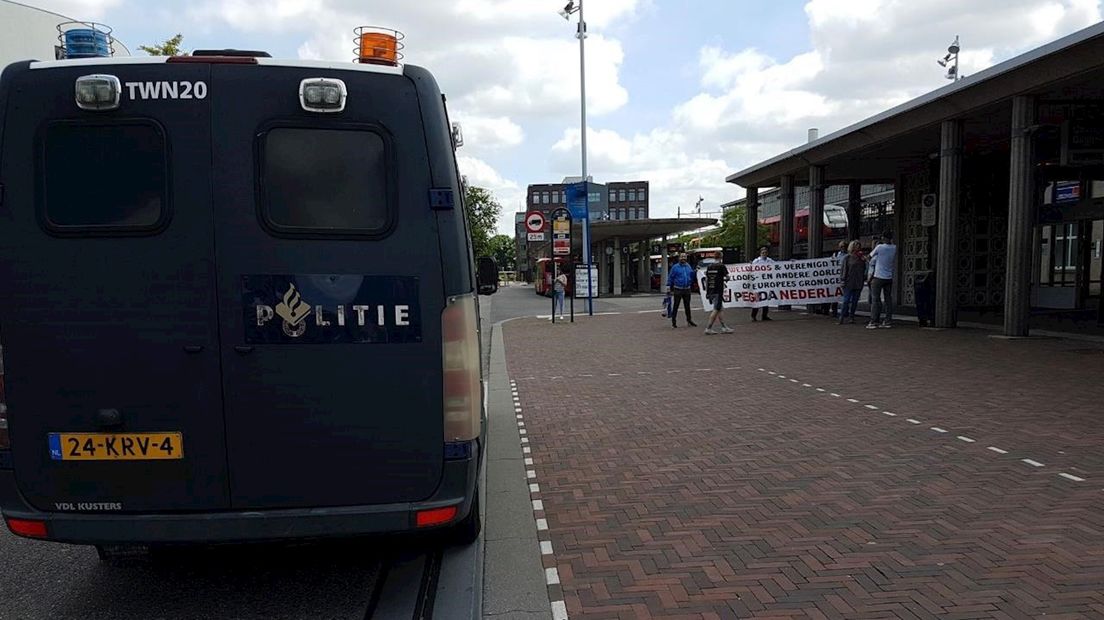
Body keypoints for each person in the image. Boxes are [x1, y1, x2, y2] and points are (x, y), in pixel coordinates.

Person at [867, 231, 897, 329]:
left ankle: (874, 321)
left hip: (878, 276)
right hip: (889, 277)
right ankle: (888, 321)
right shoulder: (894, 248)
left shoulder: (880, 247)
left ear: (884, 238)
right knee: (888, 299)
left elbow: (869, 257)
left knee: (876, 299)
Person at [838, 241, 867, 324]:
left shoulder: (861, 258)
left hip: (858, 282)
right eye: (856, 246)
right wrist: (842, 280)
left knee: (854, 301)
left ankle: (852, 316)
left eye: (859, 246)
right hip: (848, 282)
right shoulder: (847, 258)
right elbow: (844, 270)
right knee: (846, 300)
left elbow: (865, 269)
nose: (858, 247)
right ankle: (842, 316)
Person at [667, 253, 696, 328]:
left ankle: (689, 320)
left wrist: (695, 272)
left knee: (687, 306)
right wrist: (668, 286)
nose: (683, 258)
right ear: (679, 258)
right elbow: (671, 277)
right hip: (678, 289)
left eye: (685, 257)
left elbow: (691, 275)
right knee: (676, 306)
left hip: (687, 289)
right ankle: (674, 322)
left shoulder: (688, 266)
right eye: (682, 257)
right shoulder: (675, 267)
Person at [703, 261, 733, 335]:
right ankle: (708, 328)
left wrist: (707, 291)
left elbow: (707, 279)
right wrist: (725, 279)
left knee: (720, 308)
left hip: (711, 289)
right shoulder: (721, 266)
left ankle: (724, 327)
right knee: (716, 309)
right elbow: (727, 277)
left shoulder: (709, 266)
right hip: (718, 290)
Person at [750, 246, 774, 322]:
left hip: (766, 283)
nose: (764, 254)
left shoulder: (770, 261)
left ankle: (764, 316)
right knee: (757, 300)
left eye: (765, 252)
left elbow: (779, 266)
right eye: (763, 252)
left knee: (766, 299)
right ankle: (753, 316)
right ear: (760, 253)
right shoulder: (756, 261)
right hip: (758, 283)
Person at [830, 241, 848, 318]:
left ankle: (845, 312)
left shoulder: (847, 256)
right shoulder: (835, 255)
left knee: (846, 295)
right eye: (841, 246)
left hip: (844, 277)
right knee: (835, 294)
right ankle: (834, 311)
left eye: (844, 246)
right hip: (836, 278)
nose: (842, 248)